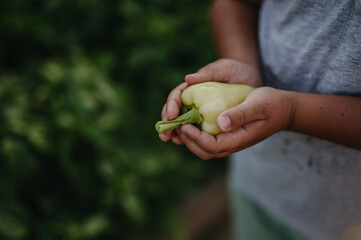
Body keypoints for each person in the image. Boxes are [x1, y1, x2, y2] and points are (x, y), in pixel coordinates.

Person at [159, 0, 361, 239]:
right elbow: (233, 4)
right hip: (256, 175)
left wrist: (291, 112)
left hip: (340, 216)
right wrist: (244, 65)